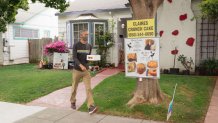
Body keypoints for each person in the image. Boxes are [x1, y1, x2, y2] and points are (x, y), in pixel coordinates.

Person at [70, 30, 97, 114]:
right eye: (85, 34)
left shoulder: (89, 45)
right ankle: (72, 101)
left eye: (87, 34)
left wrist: (92, 64)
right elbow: (74, 57)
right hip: (77, 70)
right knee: (74, 87)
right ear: (81, 35)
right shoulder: (76, 45)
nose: (87, 35)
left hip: (86, 71)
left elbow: (88, 58)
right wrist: (80, 65)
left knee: (88, 88)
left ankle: (91, 106)